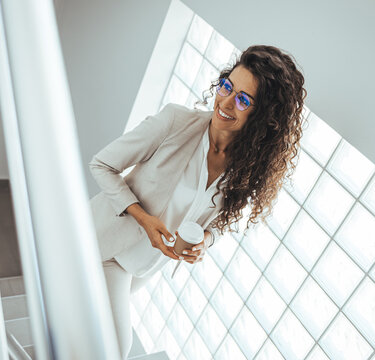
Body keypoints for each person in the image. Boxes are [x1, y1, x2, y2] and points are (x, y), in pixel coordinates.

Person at [89, 44, 306, 359]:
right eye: (227, 87)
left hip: (145, 268)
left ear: (262, 117)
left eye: (243, 99)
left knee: (87, 330)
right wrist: (143, 218)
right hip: (108, 251)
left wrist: (207, 238)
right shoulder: (176, 122)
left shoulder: (246, 167)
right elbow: (102, 165)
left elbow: (220, 220)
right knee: (116, 350)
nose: (227, 102)